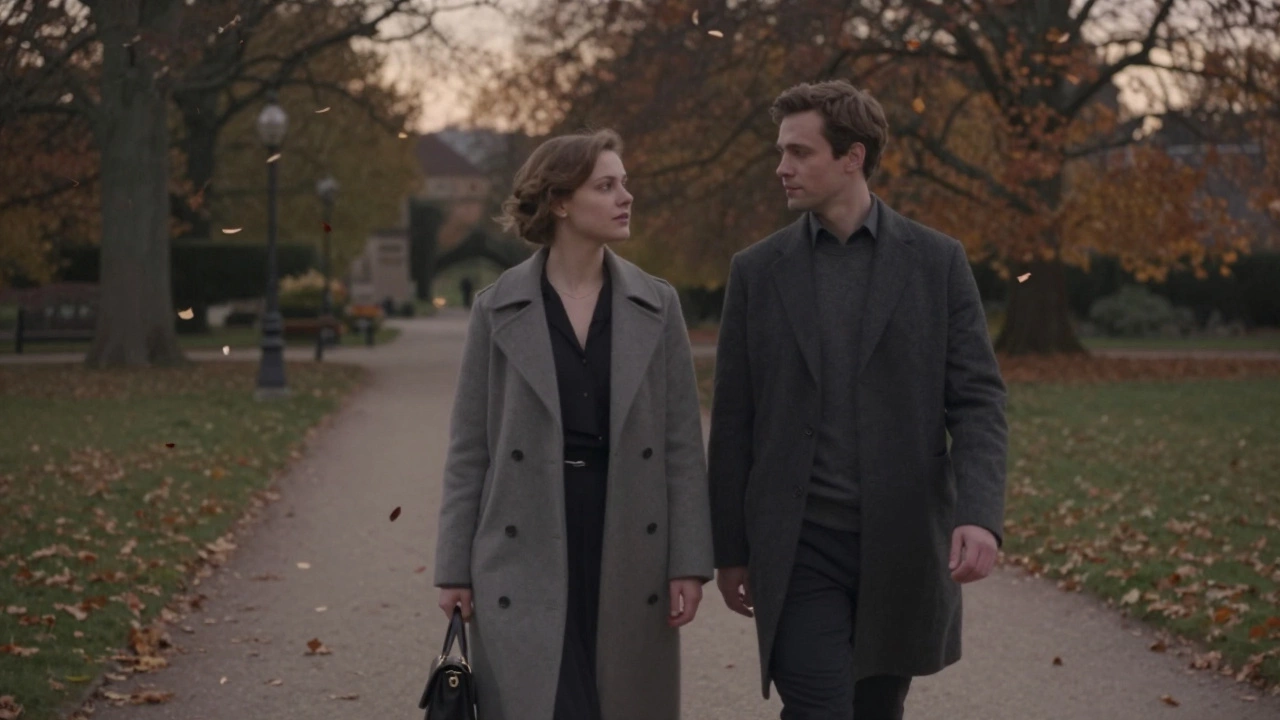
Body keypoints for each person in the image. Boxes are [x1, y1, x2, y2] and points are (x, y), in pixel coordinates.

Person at [707, 80, 1009, 719]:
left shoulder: (936, 262)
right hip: (796, 545)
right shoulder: (757, 272)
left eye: (799, 152)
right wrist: (730, 548)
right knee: (819, 708)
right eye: (781, 151)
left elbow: (978, 401)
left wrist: (979, 514)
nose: (782, 167)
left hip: (899, 546)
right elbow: (734, 420)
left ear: (854, 156)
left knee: (875, 709)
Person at [434, 128, 714, 720]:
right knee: (546, 700)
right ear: (561, 202)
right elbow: (469, 451)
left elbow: (682, 447)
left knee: (619, 697)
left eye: (624, 184)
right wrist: (454, 568)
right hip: (525, 532)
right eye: (606, 186)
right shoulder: (496, 306)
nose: (625, 197)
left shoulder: (657, 305)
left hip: (628, 529)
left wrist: (688, 560)